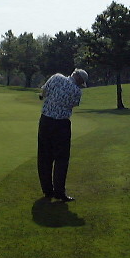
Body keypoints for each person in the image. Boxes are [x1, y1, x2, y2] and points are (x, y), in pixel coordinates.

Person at [37, 68, 88, 202]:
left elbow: (44, 92)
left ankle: (47, 191)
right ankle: (59, 192)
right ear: (79, 79)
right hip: (62, 125)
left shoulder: (56, 77)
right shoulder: (77, 91)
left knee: (44, 157)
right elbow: (73, 105)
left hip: (46, 121)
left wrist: (46, 97)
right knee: (61, 159)